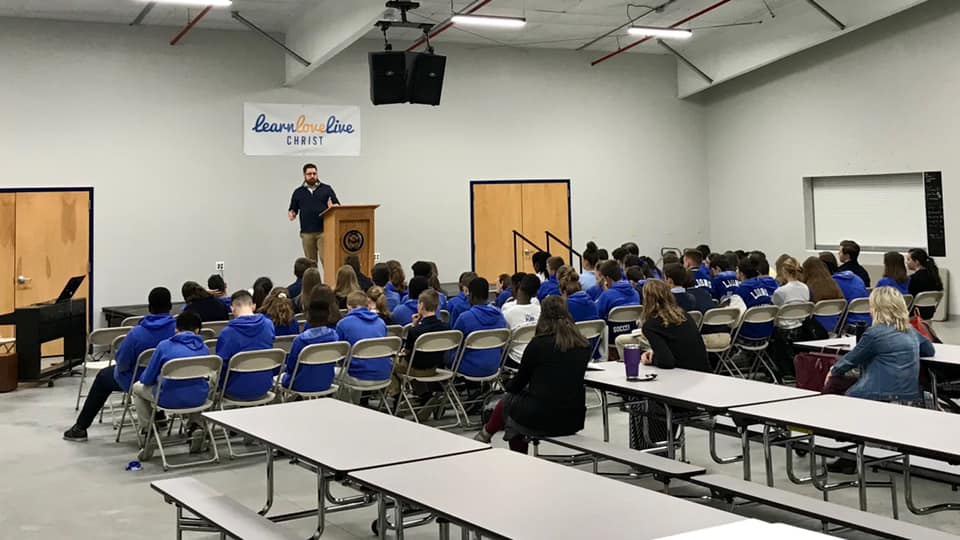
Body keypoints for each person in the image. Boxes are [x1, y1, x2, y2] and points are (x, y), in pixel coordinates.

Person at [474, 296, 590, 453]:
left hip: (542, 417)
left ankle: (496, 442)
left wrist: (507, 384)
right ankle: (486, 435)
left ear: (542, 316)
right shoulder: (583, 344)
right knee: (517, 403)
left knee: (509, 402)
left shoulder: (538, 344)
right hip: (573, 417)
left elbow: (518, 384)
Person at [63, 287, 176, 442]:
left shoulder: (136, 333)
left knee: (103, 377)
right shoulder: (178, 329)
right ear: (170, 306)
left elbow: (122, 362)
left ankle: (80, 428)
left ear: (149, 308)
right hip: (169, 378)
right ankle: (158, 415)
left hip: (140, 380)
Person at [132, 311, 209, 436]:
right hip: (199, 399)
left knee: (136, 387)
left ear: (176, 329)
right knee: (196, 385)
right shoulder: (204, 349)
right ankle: (196, 425)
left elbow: (147, 379)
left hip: (168, 398)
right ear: (197, 331)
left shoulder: (164, 346)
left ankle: (148, 430)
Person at [389, 289, 450, 398]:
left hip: (417, 370)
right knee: (414, 362)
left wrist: (414, 326)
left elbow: (407, 352)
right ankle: (424, 395)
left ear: (421, 305)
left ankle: (397, 396)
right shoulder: (446, 327)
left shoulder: (415, 331)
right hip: (435, 368)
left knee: (389, 363)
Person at [215, 290, 276, 399]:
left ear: (232, 309)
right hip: (265, 386)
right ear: (253, 306)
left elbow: (221, 367)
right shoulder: (268, 325)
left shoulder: (227, 333)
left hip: (235, 390)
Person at [638, 280, 710, 371]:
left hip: (684, 373)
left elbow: (666, 362)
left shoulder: (650, 326)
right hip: (703, 371)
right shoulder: (684, 316)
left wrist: (651, 360)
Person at [452, 277, 508, 376]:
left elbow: (454, 343)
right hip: (494, 366)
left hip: (470, 368)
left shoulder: (465, 318)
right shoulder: (500, 316)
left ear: (472, 295)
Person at [280, 297, 339, 393]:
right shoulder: (335, 337)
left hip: (300, 384)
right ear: (328, 317)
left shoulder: (300, 340)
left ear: (308, 317)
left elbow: (291, 368)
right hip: (326, 382)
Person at [288, 163, 339, 263]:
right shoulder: (298, 192)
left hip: (324, 231)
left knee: (327, 261)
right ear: (304, 175)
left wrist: (333, 207)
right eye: (309, 174)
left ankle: (328, 279)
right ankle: (313, 279)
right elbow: (293, 209)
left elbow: (337, 206)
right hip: (307, 233)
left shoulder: (326, 189)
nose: (312, 176)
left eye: (314, 173)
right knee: (310, 263)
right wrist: (292, 213)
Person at [337, 291, 391, 386]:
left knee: (331, 373)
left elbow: (339, 355)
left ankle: (348, 401)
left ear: (348, 306)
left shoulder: (343, 324)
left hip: (358, 376)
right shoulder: (380, 322)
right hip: (384, 375)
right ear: (368, 305)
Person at [502, 274, 541, 368]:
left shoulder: (507, 312)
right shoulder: (541, 311)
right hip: (538, 358)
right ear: (535, 294)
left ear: (518, 287)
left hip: (517, 360)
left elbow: (503, 342)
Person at [907, 249, 944, 319]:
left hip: (915, 312)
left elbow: (910, 298)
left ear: (916, 262)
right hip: (929, 311)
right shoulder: (934, 276)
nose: (906, 262)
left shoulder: (913, 279)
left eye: (908, 260)